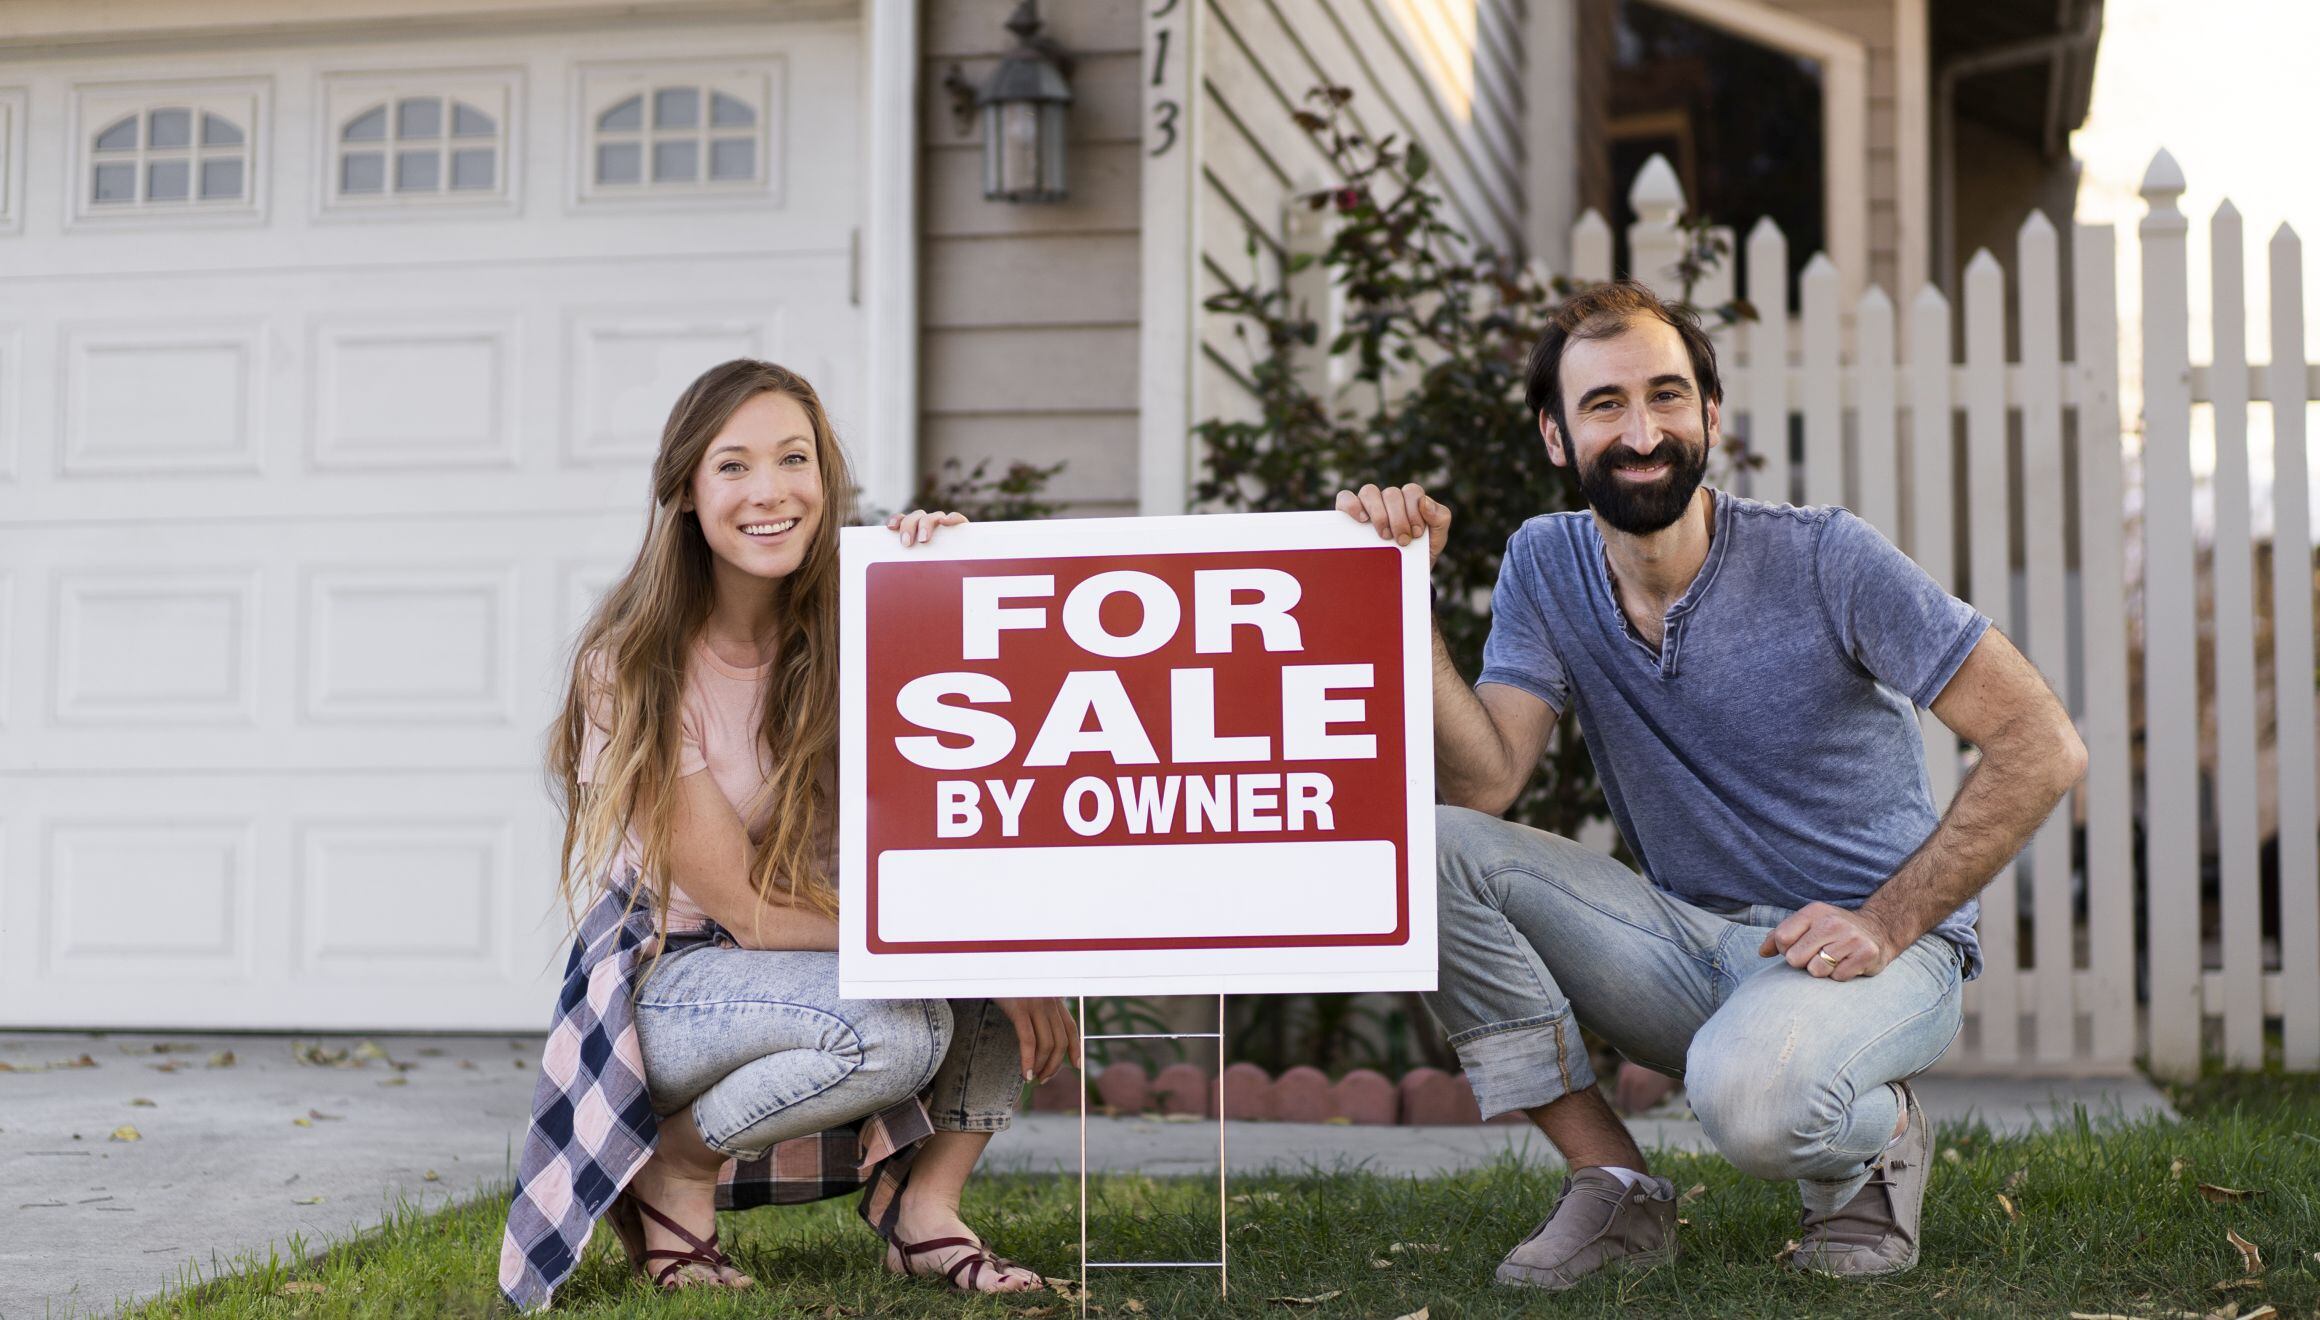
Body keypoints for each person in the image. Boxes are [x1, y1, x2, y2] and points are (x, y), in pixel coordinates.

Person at [1336, 280, 2085, 1288]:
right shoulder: (1544, 565)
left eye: (1666, 396)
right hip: (1688, 948)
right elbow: (1485, 788)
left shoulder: (1826, 557)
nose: (1641, 431)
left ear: (1710, 418)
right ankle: (1613, 1184)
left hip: (1873, 958)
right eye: (1604, 405)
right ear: (1556, 437)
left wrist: (1889, 919)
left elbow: (2040, 742)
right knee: (1424, 850)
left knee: (1754, 1106)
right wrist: (1399, 599)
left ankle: (1876, 1133)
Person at [499, 360, 1079, 1308]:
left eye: (793, 459)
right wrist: (971, 961)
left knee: (1021, 929)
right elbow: (747, 912)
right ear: (686, 494)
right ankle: (670, 1167)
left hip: (820, 940)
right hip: (680, 978)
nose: (769, 491)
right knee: (897, 1028)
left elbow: (1004, 734)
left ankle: (928, 1214)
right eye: (733, 466)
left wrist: (951, 583)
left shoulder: (859, 620)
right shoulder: (632, 667)